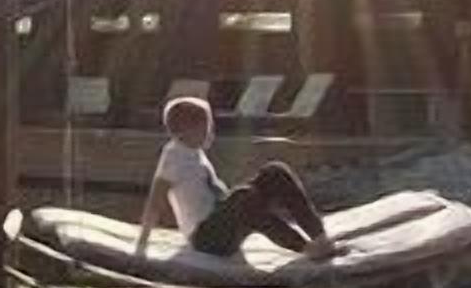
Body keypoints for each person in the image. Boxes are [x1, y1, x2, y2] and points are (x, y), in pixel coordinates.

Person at [134, 92, 333, 264]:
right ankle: (305, 248)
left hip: (222, 223)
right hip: (206, 238)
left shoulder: (193, 151)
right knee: (244, 196)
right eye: (206, 127)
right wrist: (141, 245)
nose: (211, 132)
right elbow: (156, 200)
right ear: (185, 131)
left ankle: (319, 236)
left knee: (274, 172)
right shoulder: (173, 156)